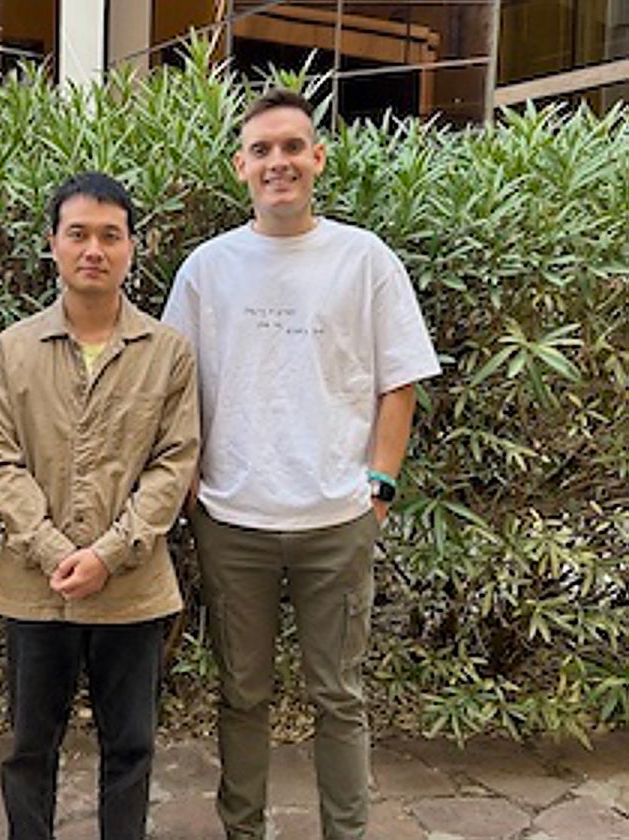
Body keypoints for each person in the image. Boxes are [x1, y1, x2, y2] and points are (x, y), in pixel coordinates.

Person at [162, 88, 441, 840]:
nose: (277, 162)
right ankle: (242, 831)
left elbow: (400, 381)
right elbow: (173, 384)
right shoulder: (206, 268)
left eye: (292, 147)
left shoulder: (364, 258)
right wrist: (193, 491)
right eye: (262, 151)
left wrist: (378, 487)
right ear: (240, 168)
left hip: (335, 520)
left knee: (339, 697)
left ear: (317, 158)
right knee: (242, 695)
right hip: (234, 520)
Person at [0, 172, 200, 840]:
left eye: (111, 236)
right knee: (28, 748)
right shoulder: (13, 349)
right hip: (33, 587)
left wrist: (108, 555)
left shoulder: (168, 353)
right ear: (52, 244)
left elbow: (174, 462)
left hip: (132, 590)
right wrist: (53, 549)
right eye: (78, 234)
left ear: (133, 247)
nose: (93, 250)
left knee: (130, 746)